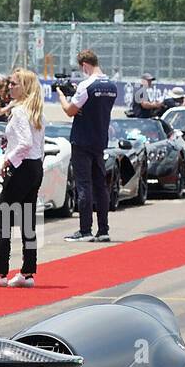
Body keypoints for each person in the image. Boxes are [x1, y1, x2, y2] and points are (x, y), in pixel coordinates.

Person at [0, 68, 45, 289]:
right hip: (35, 166)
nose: (10, 87)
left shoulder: (20, 112)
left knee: (3, 218)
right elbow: (34, 144)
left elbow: (24, 143)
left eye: (14, 84)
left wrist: (9, 160)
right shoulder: (36, 111)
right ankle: (27, 271)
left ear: (24, 87)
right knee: (27, 220)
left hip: (22, 166)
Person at [61, 49, 117, 243]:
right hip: (100, 140)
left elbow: (70, 110)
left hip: (82, 140)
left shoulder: (86, 85)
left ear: (85, 65)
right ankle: (103, 230)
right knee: (100, 186)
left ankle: (85, 230)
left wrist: (62, 95)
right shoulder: (111, 85)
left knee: (84, 185)